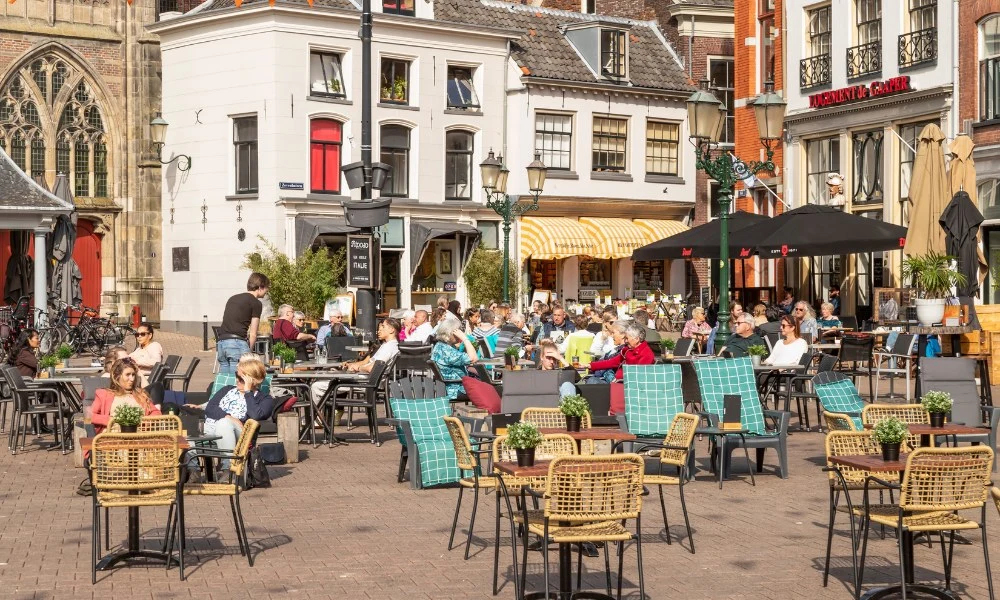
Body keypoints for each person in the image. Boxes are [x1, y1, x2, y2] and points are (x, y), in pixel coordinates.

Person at [187, 353, 273, 473]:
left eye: (242, 378)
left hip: (238, 432)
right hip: (212, 427)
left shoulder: (264, 399)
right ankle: (193, 471)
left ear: (253, 380)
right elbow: (210, 408)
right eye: (236, 376)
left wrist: (248, 392)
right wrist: (229, 417)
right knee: (186, 431)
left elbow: (255, 415)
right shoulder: (227, 390)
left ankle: (228, 469)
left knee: (224, 423)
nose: (237, 380)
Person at [217, 272, 270, 374]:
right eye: (266, 288)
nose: (267, 291)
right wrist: (249, 351)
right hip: (237, 343)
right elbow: (253, 333)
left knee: (224, 381)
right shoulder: (256, 303)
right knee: (240, 379)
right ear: (260, 287)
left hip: (221, 343)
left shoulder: (233, 298)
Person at [91, 358, 162, 434]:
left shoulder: (140, 394)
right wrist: (109, 420)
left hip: (139, 437)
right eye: (128, 375)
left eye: (133, 375)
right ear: (117, 376)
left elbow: (156, 412)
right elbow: (89, 416)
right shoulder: (104, 394)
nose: (132, 379)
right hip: (112, 437)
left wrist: (144, 422)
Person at [585, 323, 655, 382]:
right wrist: (590, 365)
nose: (626, 341)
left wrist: (616, 380)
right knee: (591, 380)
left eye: (627, 338)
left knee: (592, 381)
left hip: (624, 386)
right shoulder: (628, 350)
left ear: (636, 339)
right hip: (617, 382)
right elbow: (612, 362)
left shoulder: (646, 354)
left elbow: (639, 375)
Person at [430, 320, 478, 401]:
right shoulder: (447, 351)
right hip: (457, 389)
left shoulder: (439, 346)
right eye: (457, 332)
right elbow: (473, 358)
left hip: (447, 387)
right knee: (494, 389)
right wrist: (465, 339)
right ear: (450, 334)